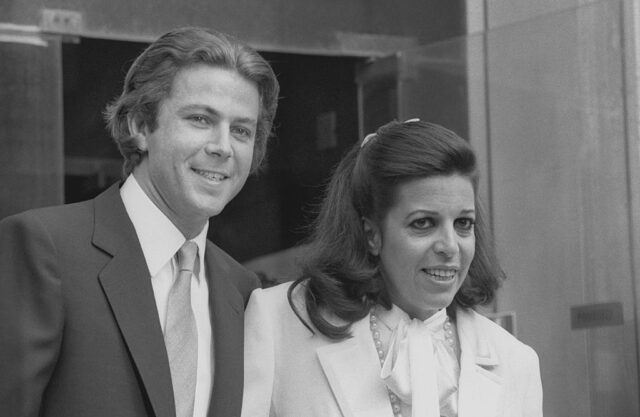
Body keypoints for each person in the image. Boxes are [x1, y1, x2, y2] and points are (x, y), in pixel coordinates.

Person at [0, 26, 279, 417]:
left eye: (241, 130)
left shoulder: (242, 290)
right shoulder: (44, 248)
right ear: (139, 125)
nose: (222, 146)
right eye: (200, 118)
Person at [242, 120, 543, 417]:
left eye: (463, 223)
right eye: (423, 223)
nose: (450, 246)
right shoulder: (277, 323)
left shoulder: (515, 361)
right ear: (371, 234)